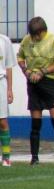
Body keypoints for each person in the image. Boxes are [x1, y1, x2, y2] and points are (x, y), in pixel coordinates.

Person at [17, 17, 54, 165]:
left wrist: (42, 71)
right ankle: (34, 157)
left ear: (44, 31)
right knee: (36, 124)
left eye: (38, 35)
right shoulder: (27, 40)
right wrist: (26, 71)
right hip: (33, 83)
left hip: (49, 82)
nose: (35, 38)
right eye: (33, 35)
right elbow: (20, 56)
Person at [0, 32, 16, 166]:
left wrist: (10, 88)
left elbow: (9, 66)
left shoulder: (4, 41)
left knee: (3, 121)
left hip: (1, 83)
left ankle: (6, 157)